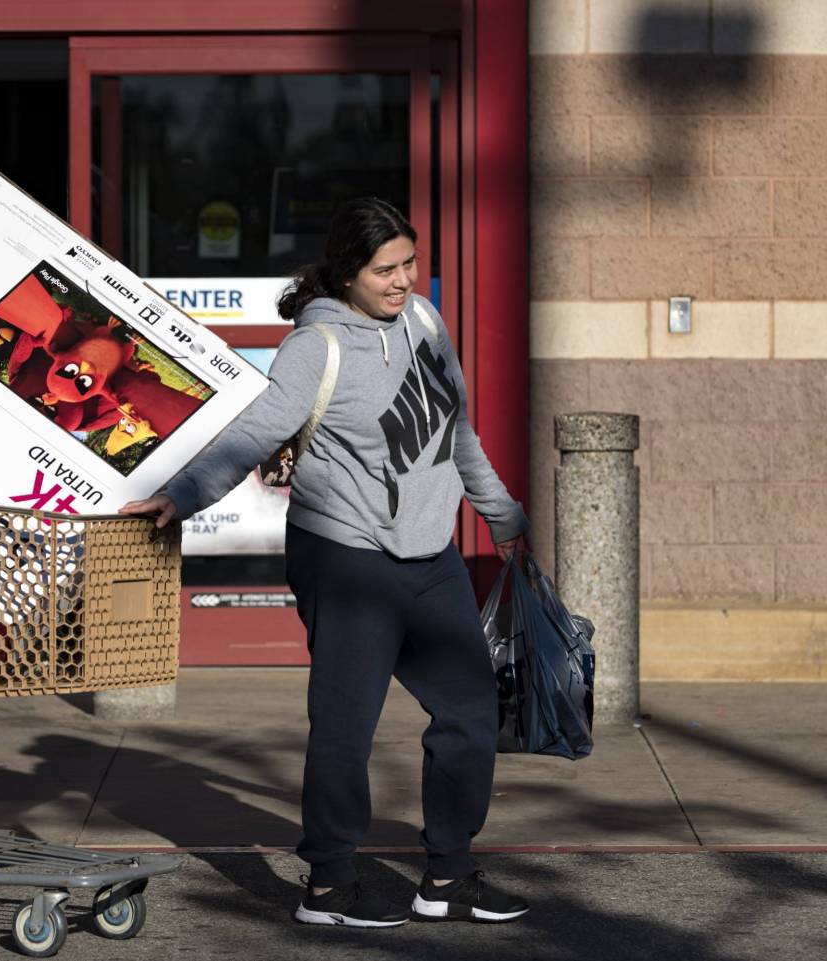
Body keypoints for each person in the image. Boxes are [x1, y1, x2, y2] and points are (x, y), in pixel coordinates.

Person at [122, 198, 530, 927]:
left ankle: (449, 874)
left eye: (409, 262)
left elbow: (457, 431)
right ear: (347, 274)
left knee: (470, 711)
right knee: (346, 725)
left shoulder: (425, 322)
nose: (403, 280)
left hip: (430, 554)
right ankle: (330, 884)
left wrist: (500, 515)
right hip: (346, 557)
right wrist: (180, 497)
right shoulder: (316, 347)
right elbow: (253, 435)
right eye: (385, 270)